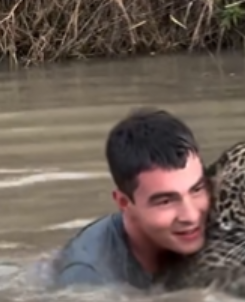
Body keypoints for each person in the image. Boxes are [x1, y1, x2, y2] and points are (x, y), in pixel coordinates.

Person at [52, 107, 210, 289]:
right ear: (123, 203)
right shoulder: (89, 280)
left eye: (197, 189)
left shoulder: (215, 220)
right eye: (166, 201)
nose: (191, 216)